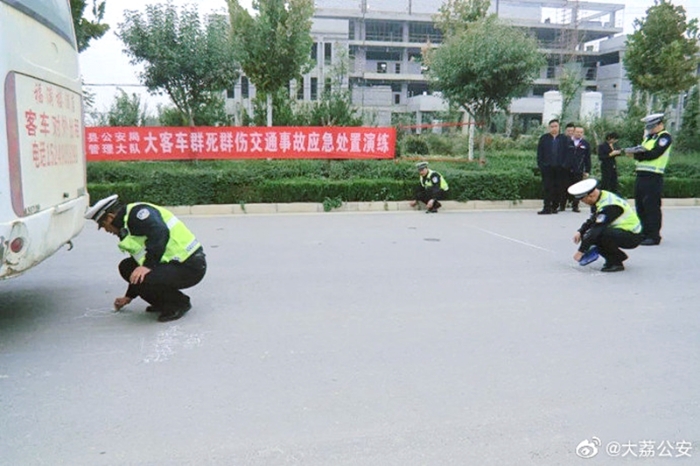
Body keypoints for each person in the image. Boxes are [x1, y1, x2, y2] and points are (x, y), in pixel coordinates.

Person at [84, 194, 207, 322]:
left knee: (146, 276)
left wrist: (148, 266)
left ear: (110, 217)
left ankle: (179, 303)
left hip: (190, 266)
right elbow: (139, 263)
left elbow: (160, 232)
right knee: (127, 267)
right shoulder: (125, 228)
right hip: (169, 264)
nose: (106, 230)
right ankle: (163, 303)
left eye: (103, 225)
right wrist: (128, 297)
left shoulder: (139, 214)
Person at [569, 178, 643, 272]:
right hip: (621, 231)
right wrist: (581, 231)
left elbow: (597, 229)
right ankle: (618, 256)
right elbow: (594, 219)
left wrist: (581, 251)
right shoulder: (602, 196)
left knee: (599, 235)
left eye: (583, 200)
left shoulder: (610, 206)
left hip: (632, 235)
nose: (584, 203)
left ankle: (615, 263)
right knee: (590, 234)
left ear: (591, 195)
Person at [625, 113, 671, 246]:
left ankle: (653, 235)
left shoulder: (664, 137)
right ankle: (644, 232)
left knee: (651, 206)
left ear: (660, 124)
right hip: (641, 174)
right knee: (640, 205)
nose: (650, 129)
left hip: (654, 175)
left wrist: (637, 155)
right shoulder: (649, 137)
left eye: (652, 126)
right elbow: (642, 152)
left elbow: (654, 153)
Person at [536, 119, 571, 214]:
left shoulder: (564, 139)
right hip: (547, 168)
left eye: (556, 126)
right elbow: (540, 153)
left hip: (560, 168)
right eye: (552, 126)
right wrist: (541, 165)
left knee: (558, 188)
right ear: (549, 128)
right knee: (547, 187)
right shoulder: (544, 138)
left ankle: (555, 207)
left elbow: (568, 154)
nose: (554, 128)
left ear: (559, 127)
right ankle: (546, 207)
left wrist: (565, 165)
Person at [566, 125, 592, 212]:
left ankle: (575, 205)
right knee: (565, 186)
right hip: (567, 169)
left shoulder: (585, 144)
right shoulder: (568, 142)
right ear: (573, 132)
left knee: (577, 188)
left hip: (579, 169)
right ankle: (563, 204)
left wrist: (587, 170)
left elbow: (587, 158)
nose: (579, 134)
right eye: (577, 132)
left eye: (581, 132)